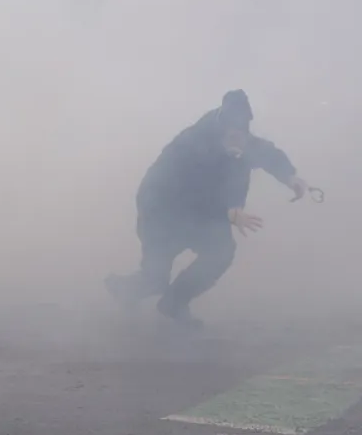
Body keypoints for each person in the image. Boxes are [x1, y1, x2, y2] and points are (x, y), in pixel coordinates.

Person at [105, 89, 312, 329]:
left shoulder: (242, 142)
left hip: (204, 213)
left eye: (241, 134)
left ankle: (174, 303)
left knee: (221, 251)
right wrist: (228, 212)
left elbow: (267, 154)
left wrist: (290, 177)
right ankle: (123, 289)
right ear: (220, 127)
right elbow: (186, 191)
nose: (237, 141)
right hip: (160, 210)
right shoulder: (192, 145)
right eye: (232, 135)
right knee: (155, 278)